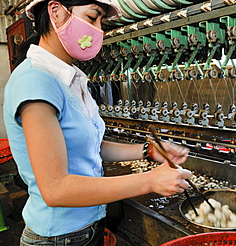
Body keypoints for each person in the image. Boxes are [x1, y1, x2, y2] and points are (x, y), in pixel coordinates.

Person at [3, 0, 192, 245]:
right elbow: (56, 189)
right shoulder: (35, 81)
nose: (98, 30)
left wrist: (147, 150)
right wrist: (150, 180)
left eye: (102, 21)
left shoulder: (69, 79)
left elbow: (87, 146)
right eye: (93, 17)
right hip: (58, 237)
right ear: (56, 12)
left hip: (85, 229)